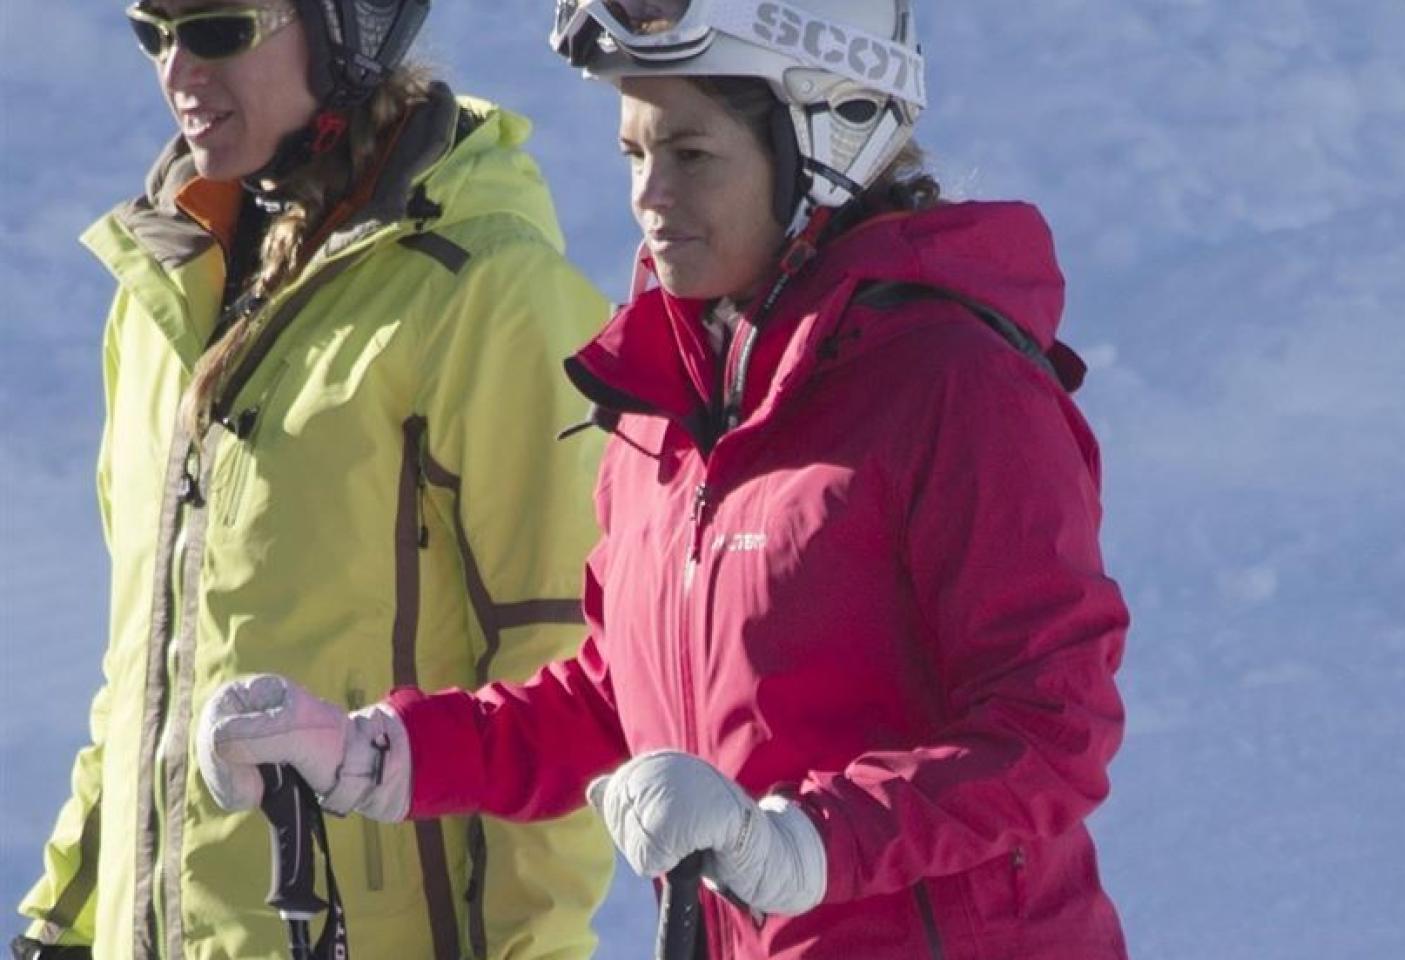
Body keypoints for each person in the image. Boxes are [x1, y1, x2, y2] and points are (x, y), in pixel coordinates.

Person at [197, 0, 1131, 957]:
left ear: (827, 140)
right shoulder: (663, 407)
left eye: (691, 155)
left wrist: (805, 844)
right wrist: (379, 754)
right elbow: (617, 696)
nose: (650, 196)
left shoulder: (953, 384)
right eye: (634, 154)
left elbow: (1051, 728)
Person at [13, 2, 617, 958]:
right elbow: (147, 663)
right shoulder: (167, 301)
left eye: (216, 27)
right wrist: (69, 919)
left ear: (350, 28)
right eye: (152, 32)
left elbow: (556, 681)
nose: (178, 70)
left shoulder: (485, 295)